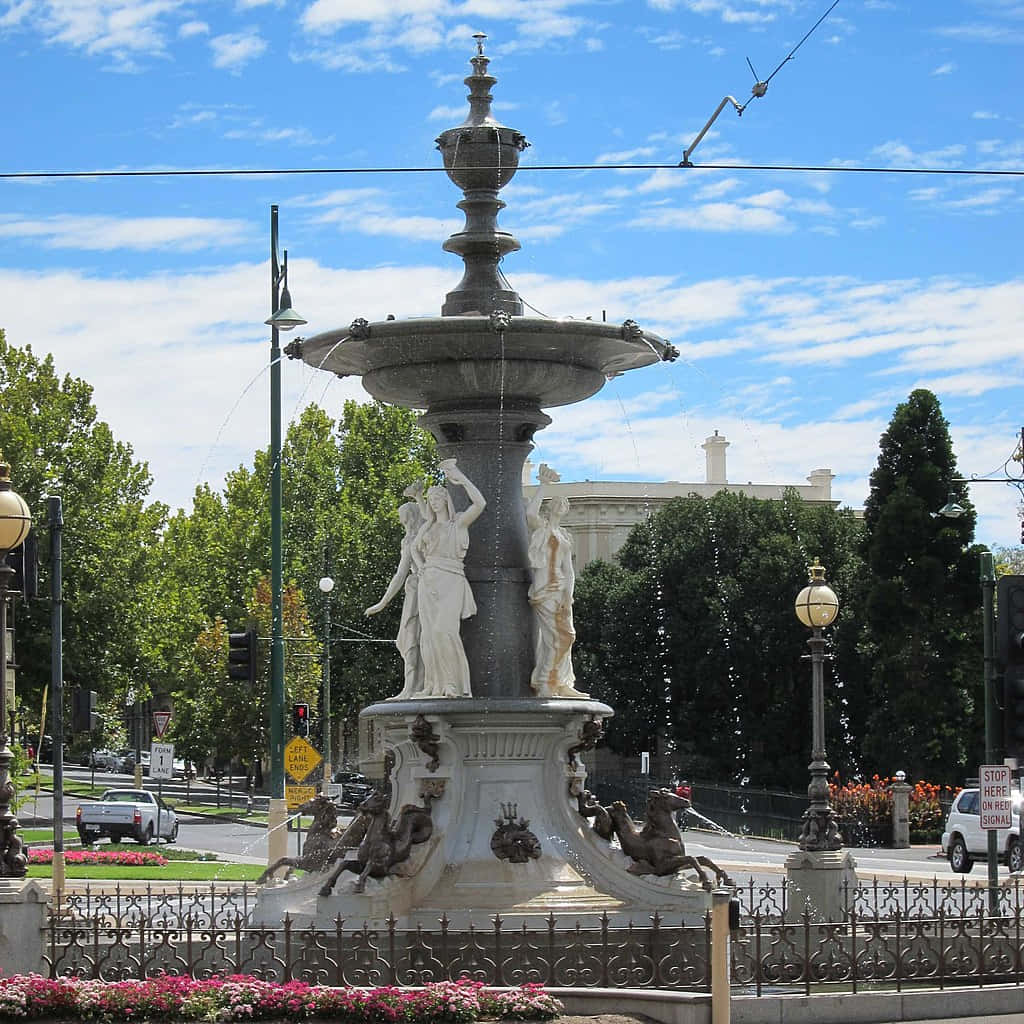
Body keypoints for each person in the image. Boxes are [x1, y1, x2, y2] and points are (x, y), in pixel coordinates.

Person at [413, 460, 486, 698]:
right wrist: (422, 568)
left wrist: (460, 477)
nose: (434, 504)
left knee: (445, 630)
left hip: (452, 578)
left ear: (446, 500)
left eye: (437, 499)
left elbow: (480, 503)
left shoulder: (459, 523)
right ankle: (435, 685)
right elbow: (414, 549)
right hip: (429, 582)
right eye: (431, 501)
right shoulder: (428, 528)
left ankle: (454, 684)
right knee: (430, 634)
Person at [525, 464, 588, 698]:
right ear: (551, 507)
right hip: (544, 590)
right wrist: (543, 486)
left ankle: (561, 681)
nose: (562, 505)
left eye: (565, 504)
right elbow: (530, 513)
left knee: (567, 635)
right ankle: (545, 683)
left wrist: (568, 595)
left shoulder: (565, 536)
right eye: (558, 502)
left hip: (560, 589)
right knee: (553, 637)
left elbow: (569, 570)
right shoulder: (541, 528)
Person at [366, 481, 427, 699]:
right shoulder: (412, 539)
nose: (404, 526)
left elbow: (400, 575)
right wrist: (381, 603)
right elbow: (401, 575)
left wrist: (382, 603)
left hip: (425, 592)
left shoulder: (420, 538)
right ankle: (413, 686)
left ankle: (415, 687)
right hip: (419, 591)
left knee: (415, 638)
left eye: (405, 522)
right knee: (411, 639)